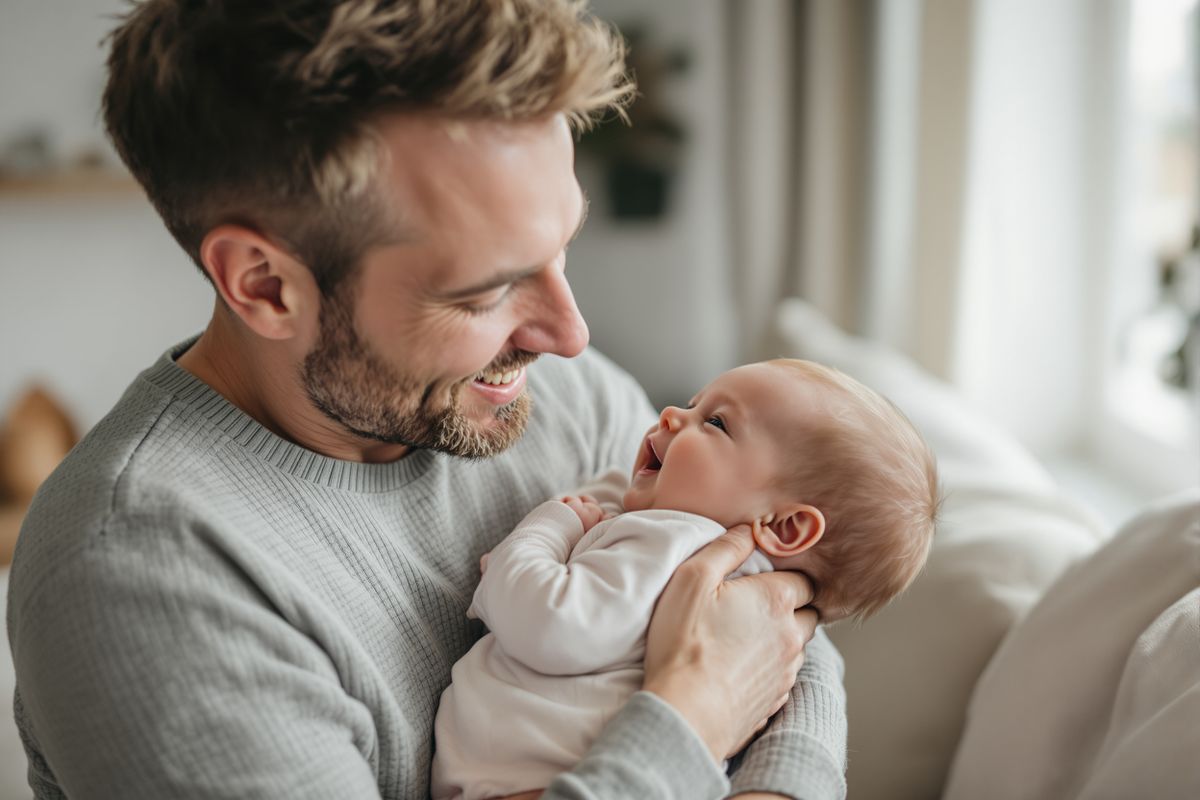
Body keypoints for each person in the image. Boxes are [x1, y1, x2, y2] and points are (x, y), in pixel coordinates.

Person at [6, 2, 848, 798]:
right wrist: (691, 719)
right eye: (486, 292)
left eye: (562, 248)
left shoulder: (561, 397)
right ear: (265, 285)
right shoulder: (142, 575)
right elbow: (726, 663)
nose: (570, 334)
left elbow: (773, 616)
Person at [431, 359, 939, 800]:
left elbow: (547, 620)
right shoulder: (711, 558)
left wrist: (550, 526)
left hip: (538, 778)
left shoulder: (669, 540)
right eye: (696, 402)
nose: (672, 414)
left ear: (785, 527)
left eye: (715, 422)